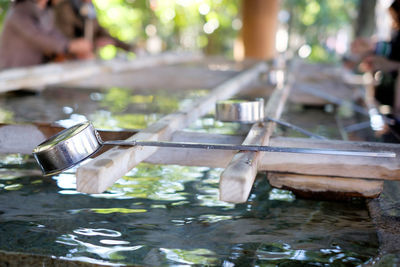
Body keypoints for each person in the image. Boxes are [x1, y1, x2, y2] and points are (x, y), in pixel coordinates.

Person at [0, 0, 93, 70]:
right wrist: (70, 46)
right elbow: (38, 37)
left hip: (33, 75)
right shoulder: (18, 13)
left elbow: (54, 34)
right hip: (11, 76)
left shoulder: (47, 12)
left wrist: (75, 51)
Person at [52, 0, 132, 53]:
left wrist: (128, 47)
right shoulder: (65, 7)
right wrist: (90, 45)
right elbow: (65, 39)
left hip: (87, 58)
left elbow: (99, 30)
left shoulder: (89, 7)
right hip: (67, 59)